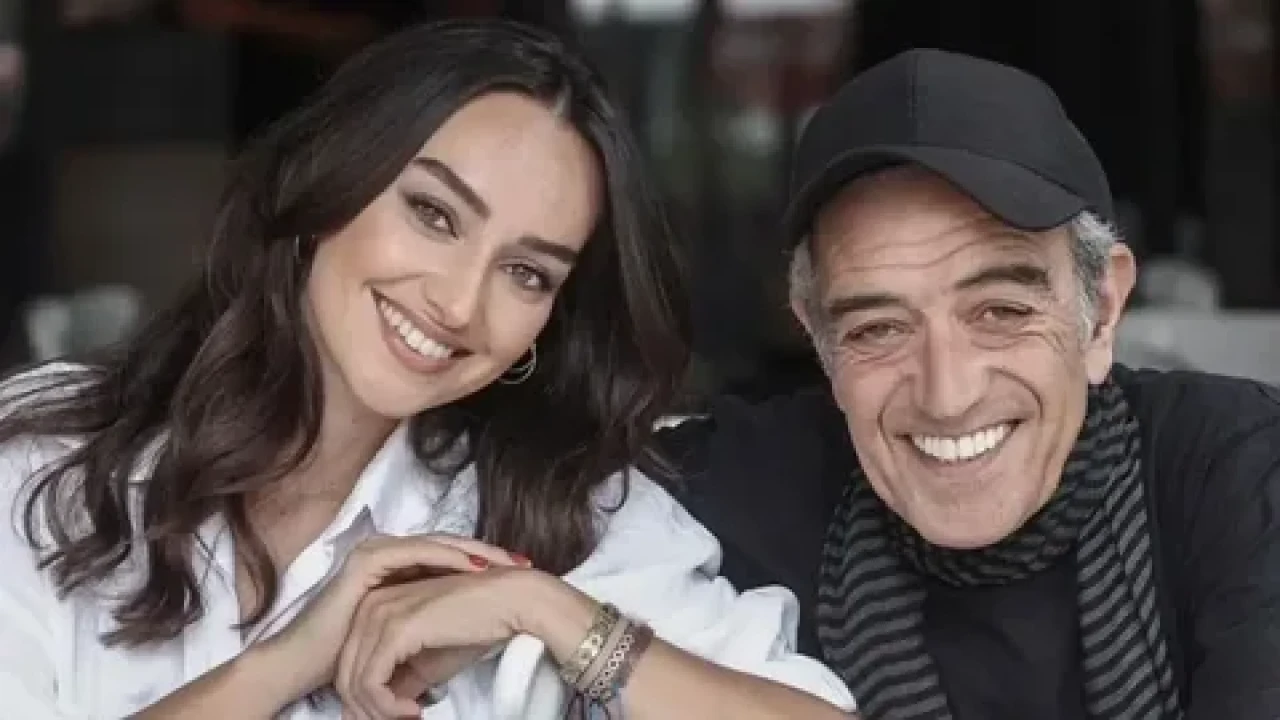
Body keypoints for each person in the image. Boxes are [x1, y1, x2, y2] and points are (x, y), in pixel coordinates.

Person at [0, 20, 857, 720]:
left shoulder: (559, 507)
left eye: (527, 273)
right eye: (434, 214)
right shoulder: (50, 461)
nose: (457, 302)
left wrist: (550, 612)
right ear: (331, 177)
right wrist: (290, 662)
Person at [668, 49, 1280, 719]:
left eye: (1001, 312)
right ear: (819, 340)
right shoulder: (748, 484)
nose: (948, 396)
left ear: (1102, 311)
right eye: (879, 328)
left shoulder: (1239, 473)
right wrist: (595, 641)